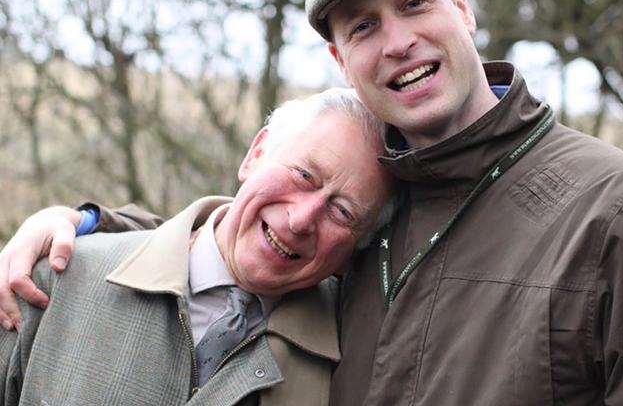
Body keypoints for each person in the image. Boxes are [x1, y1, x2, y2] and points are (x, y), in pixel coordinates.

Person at [2, 0, 623, 405]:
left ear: (463, 7)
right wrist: (84, 227)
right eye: (363, 27)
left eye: (414, 4)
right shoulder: (373, 228)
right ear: (341, 62)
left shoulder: (619, 207)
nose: (398, 41)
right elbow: (232, 257)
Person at [0, 87, 395, 405]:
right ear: (256, 154)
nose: (301, 219)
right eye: (304, 174)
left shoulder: (354, 362)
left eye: (342, 212)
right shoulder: (54, 282)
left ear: (357, 246)